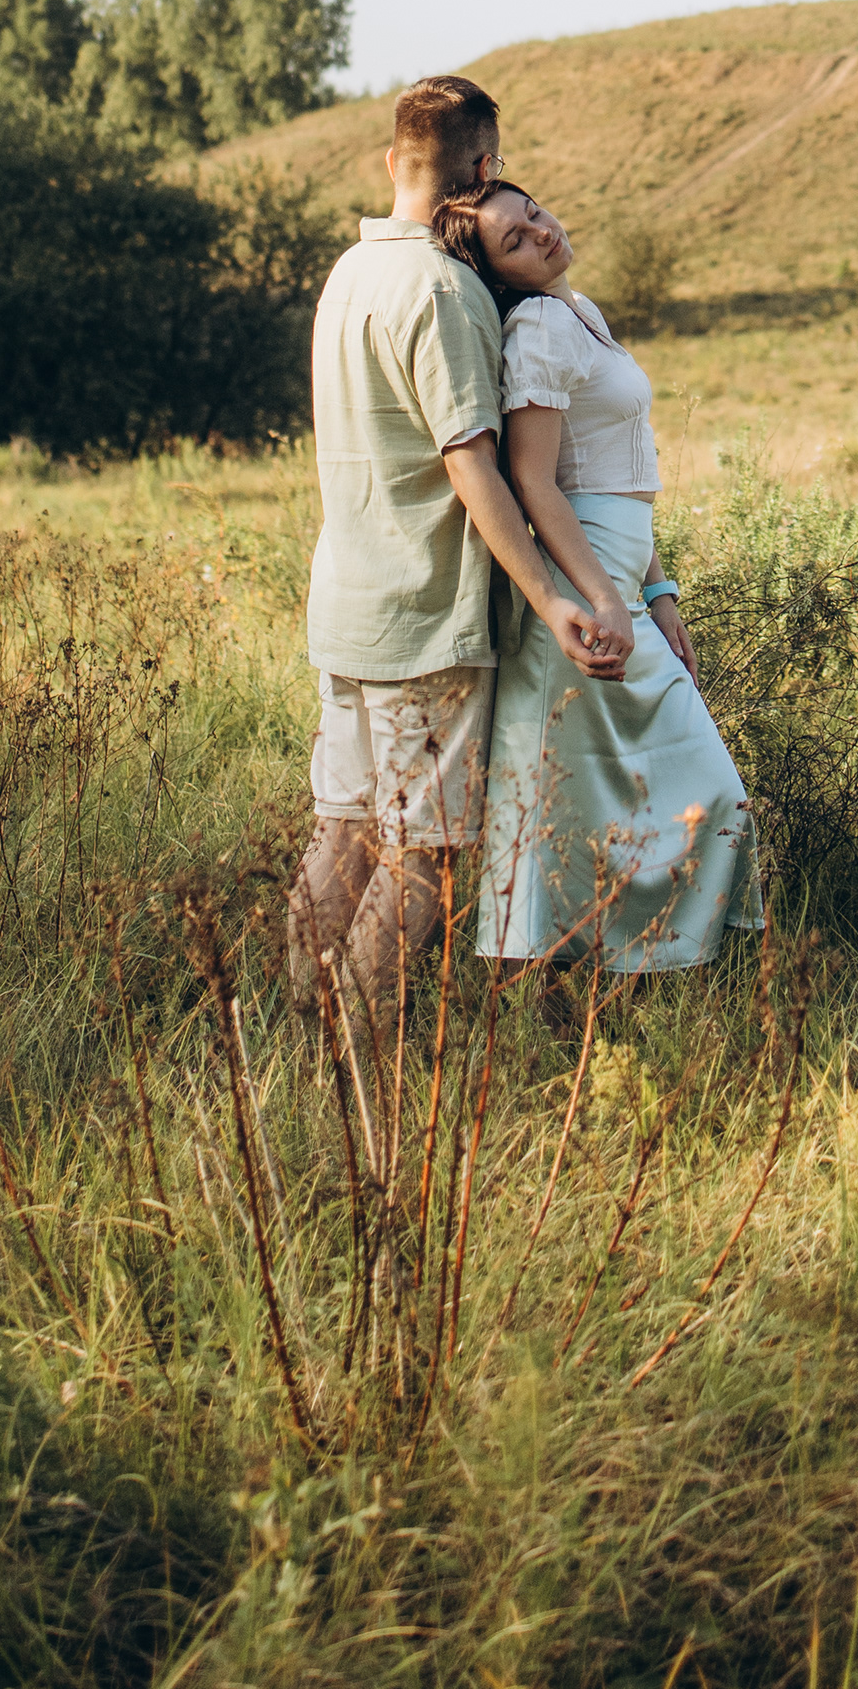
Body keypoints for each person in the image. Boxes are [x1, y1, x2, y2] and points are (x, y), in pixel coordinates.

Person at [289, 80, 631, 1031]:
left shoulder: (350, 271)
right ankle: (356, 1052)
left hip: (347, 604)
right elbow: (473, 466)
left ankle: (297, 1035)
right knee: (427, 855)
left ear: (393, 160)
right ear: (482, 169)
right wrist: (552, 600)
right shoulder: (443, 291)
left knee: (345, 829)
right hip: (423, 619)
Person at [431, 180, 761, 974]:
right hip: (583, 584)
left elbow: (623, 471)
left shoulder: (579, 310)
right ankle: (544, 999)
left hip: (621, 572)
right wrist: (606, 596)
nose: (541, 233)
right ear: (498, 274)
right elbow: (535, 481)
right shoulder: (539, 328)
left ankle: (635, 978)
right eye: (514, 240)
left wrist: (658, 591)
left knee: (666, 792)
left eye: (534, 213)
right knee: (564, 804)